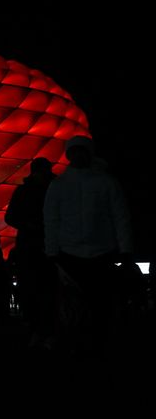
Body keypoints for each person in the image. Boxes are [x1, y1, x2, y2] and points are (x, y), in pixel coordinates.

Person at [43, 135, 133, 347]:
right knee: (76, 303)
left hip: (101, 250)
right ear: (69, 155)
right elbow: (51, 219)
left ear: (89, 153)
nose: (78, 155)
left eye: (81, 151)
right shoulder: (59, 185)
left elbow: (121, 216)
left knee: (99, 301)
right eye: (74, 152)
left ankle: (97, 341)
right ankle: (81, 341)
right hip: (70, 252)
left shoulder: (106, 182)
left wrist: (126, 248)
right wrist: (52, 250)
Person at [5, 157, 55, 344]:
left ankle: (44, 328)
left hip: (36, 245)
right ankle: (39, 328)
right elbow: (10, 217)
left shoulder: (52, 188)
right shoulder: (49, 189)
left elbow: (10, 217)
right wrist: (28, 225)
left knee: (42, 288)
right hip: (37, 245)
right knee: (38, 288)